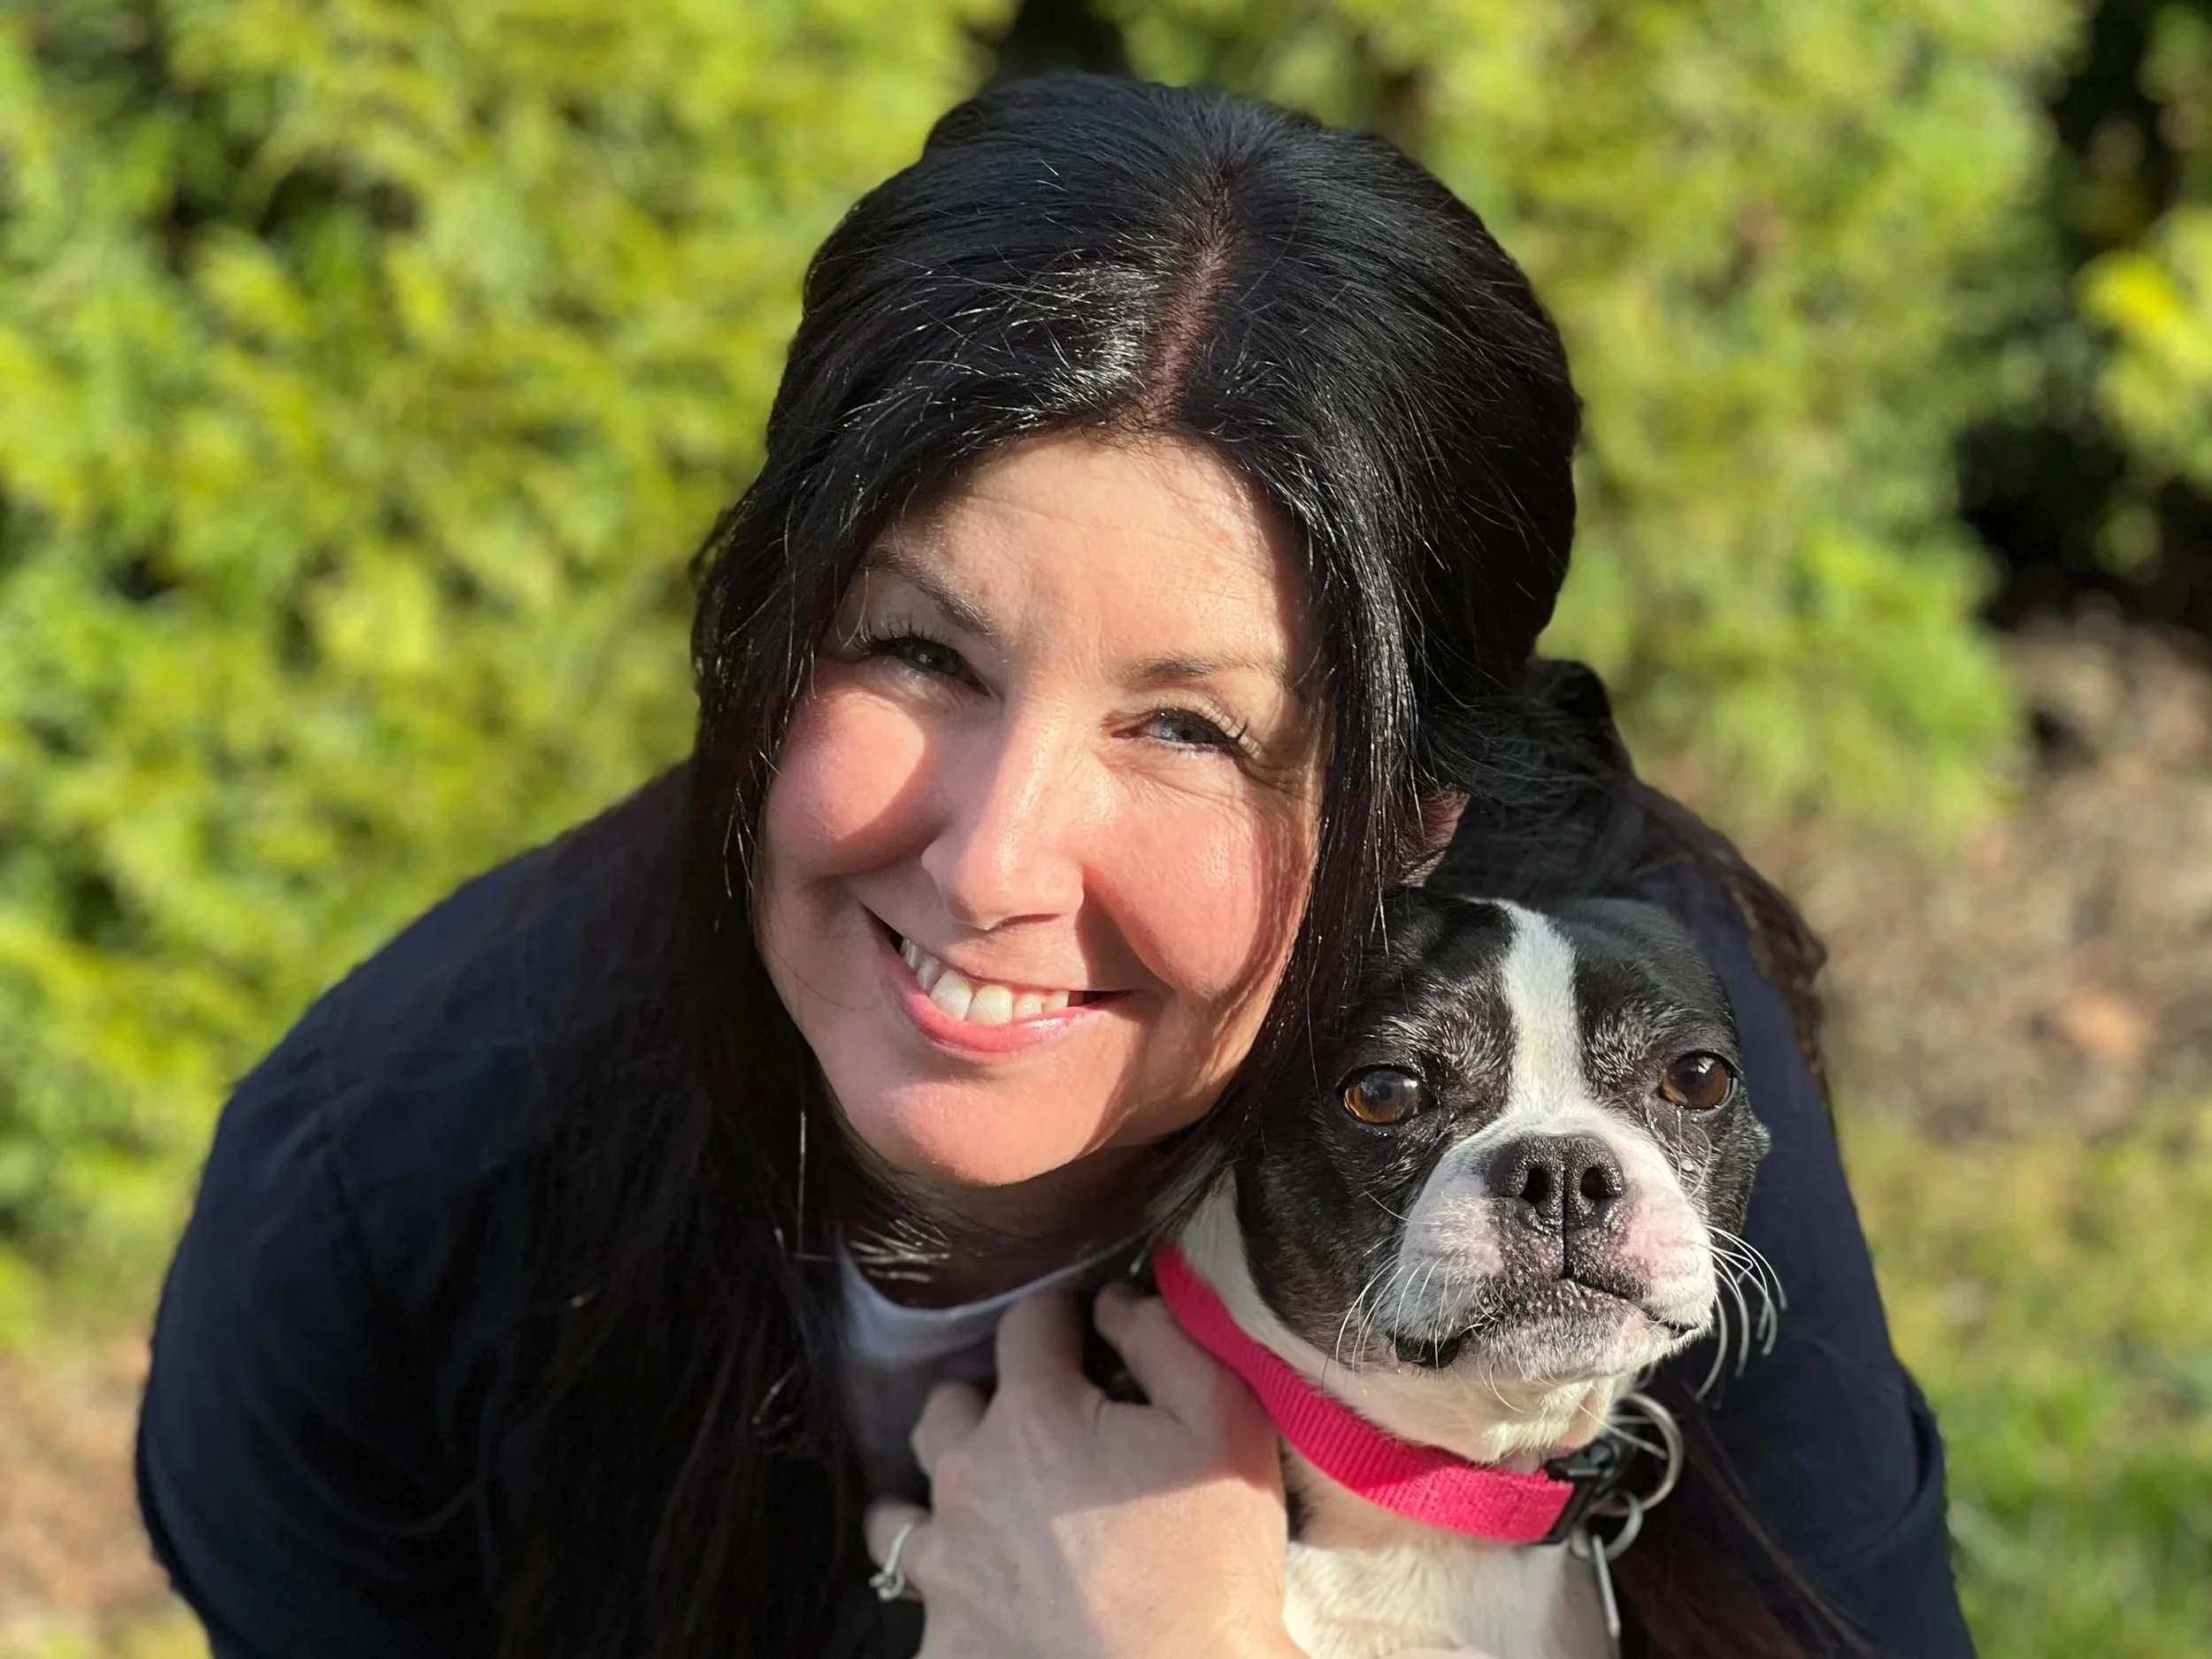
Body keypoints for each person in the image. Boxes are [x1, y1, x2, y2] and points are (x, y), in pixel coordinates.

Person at [135, 73, 1973, 1659]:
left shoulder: (1594, 1007)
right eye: (916, 653)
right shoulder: (383, 1203)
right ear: (760, 645)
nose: (994, 855)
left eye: (1188, 729)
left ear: (1415, 826)